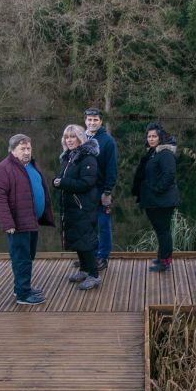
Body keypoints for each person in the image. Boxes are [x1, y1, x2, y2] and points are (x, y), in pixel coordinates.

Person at [0, 134, 55, 305]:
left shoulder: (31, 165)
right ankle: (23, 295)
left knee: (29, 255)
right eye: (22, 149)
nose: (27, 152)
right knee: (21, 258)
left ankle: (21, 286)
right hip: (17, 224)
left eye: (28, 148)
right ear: (12, 150)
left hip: (32, 221)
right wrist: (7, 223)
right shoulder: (3, 169)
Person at [52, 124, 102, 290]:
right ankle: (84, 269)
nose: (69, 140)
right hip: (71, 207)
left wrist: (63, 183)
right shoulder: (68, 157)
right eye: (67, 137)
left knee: (86, 241)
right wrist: (57, 181)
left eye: (73, 137)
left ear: (81, 138)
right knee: (77, 240)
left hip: (84, 207)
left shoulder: (88, 158)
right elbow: (63, 177)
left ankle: (94, 275)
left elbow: (86, 183)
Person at [132, 122, 179, 272]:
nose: (151, 139)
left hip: (162, 201)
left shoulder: (165, 153)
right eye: (149, 136)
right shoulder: (153, 152)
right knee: (160, 230)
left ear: (161, 137)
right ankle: (161, 257)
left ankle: (165, 262)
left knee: (163, 230)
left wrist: (158, 189)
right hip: (154, 200)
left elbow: (169, 174)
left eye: (154, 136)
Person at [83, 107, 117, 270]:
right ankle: (91, 256)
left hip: (102, 190)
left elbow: (112, 169)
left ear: (101, 122)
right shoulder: (82, 138)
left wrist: (108, 191)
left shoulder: (108, 141)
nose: (92, 122)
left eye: (95, 120)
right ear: (85, 121)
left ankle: (102, 257)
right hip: (85, 191)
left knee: (103, 225)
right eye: (89, 120)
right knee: (89, 225)